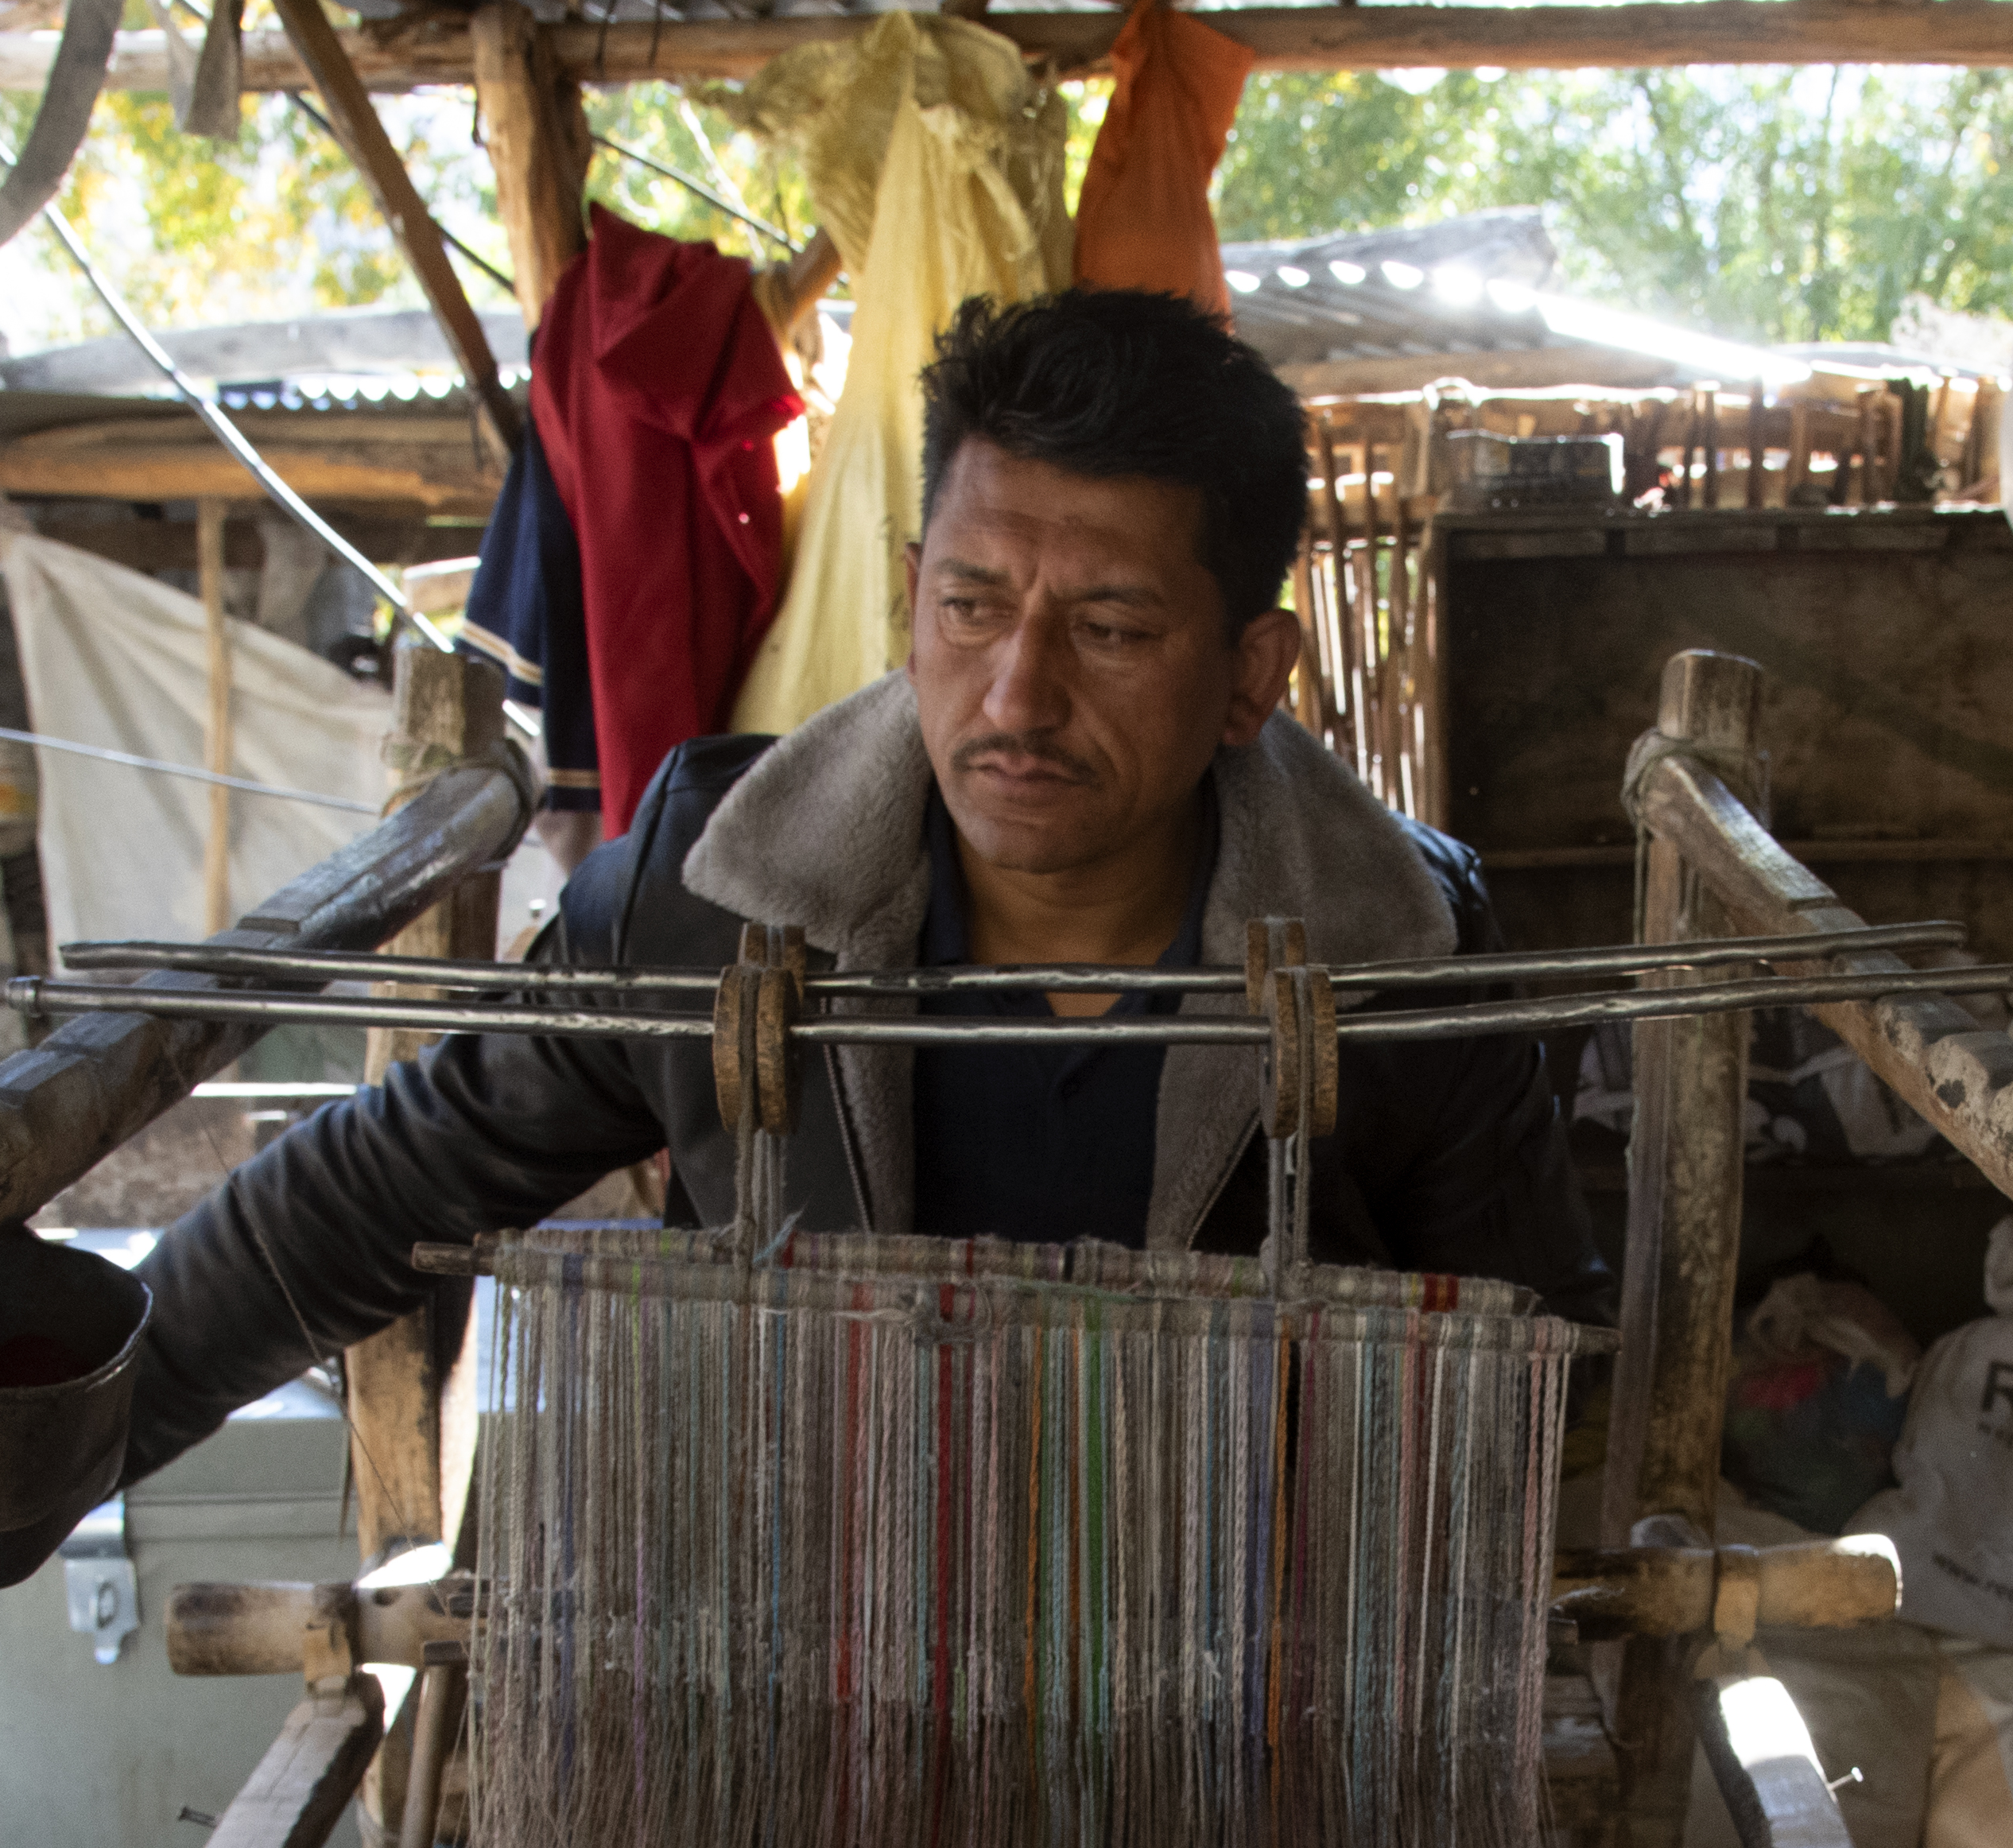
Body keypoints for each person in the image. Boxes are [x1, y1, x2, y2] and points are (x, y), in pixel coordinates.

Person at [108, 281, 1601, 1487]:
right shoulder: (716, 898)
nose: (1016, 694)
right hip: (826, 1680)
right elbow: (380, 1183)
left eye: (1114, 630)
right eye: (970, 605)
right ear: (911, 597)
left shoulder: (1398, 953)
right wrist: (67, 1410)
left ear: (1248, 678)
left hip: (1222, 1695)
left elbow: (1541, 1368)